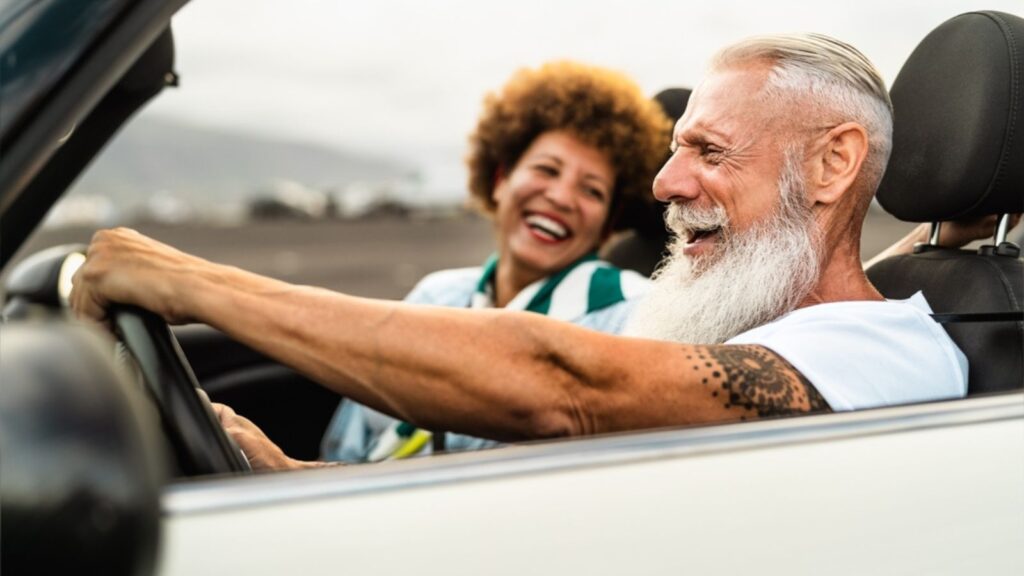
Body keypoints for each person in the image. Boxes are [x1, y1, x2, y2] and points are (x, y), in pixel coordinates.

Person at [71, 33, 970, 472]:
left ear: (832, 163)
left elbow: (561, 389)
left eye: (706, 150)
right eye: (672, 150)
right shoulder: (730, 336)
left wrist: (188, 280)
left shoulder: (885, 350)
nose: (663, 184)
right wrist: (295, 478)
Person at [321, 61, 670, 462]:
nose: (560, 197)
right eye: (546, 169)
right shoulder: (435, 295)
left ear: (607, 226)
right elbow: (342, 453)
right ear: (501, 178)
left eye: (591, 190)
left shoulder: (635, 316)